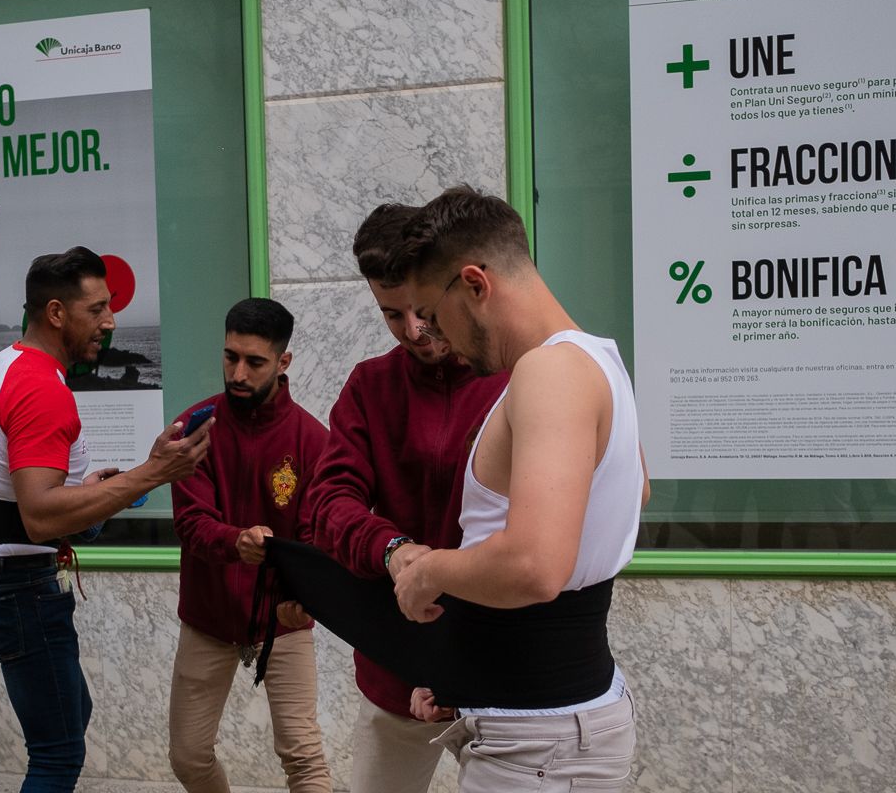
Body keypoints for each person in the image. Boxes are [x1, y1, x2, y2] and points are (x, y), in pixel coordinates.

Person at [388, 186, 650, 792]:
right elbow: (633, 490)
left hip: (539, 744)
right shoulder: (597, 358)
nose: (433, 335)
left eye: (432, 312)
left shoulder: (550, 371)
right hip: (544, 725)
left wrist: (430, 573)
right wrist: (470, 666)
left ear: (475, 284)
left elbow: (535, 566)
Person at [0, 246, 212, 793]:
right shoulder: (43, 389)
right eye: (98, 310)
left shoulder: (4, 367)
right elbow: (41, 516)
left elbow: (9, 489)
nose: (112, 322)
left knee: (72, 713)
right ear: (57, 313)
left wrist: (110, 483)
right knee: (58, 753)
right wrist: (154, 474)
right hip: (14, 587)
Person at [301, 203, 507, 793]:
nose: (415, 330)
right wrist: (392, 550)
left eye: (422, 310)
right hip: (396, 667)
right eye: (392, 316)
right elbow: (327, 504)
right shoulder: (369, 386)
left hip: (502, 668)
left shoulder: (516, 377)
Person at [168, 298, 331, 793]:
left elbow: (314, 537)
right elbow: (192, 523)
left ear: (283, 363)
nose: (237, 373)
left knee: (303, 758)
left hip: (282, 621)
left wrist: (305, 598)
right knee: (188, 757)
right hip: (209, 616)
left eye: (254, 362)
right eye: (229, 356)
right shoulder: (195, 427)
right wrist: (235, 541)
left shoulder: (313, 439)